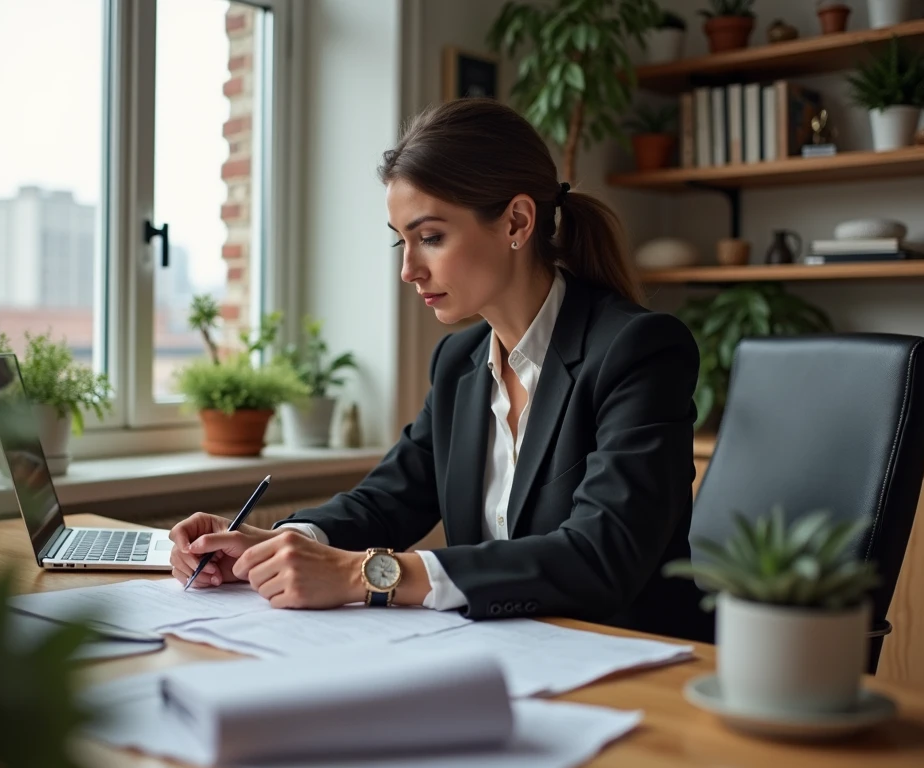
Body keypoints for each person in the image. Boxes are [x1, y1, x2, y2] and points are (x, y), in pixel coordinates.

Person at [169, 98, 705, 639]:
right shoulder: (459, 364)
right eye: (401, 241)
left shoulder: (639, 351)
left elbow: (601, 554)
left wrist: (367, 575)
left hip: (631, 665)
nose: (407, 269)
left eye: (430, 237)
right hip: (501, 654)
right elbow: (387, 500)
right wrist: (275, 543)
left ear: (516, 221)